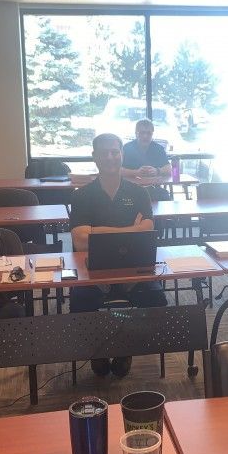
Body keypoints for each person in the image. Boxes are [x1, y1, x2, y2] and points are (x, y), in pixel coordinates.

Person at [69, 133, 168, 377]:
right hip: (93, 271)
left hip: (134, 269)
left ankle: (126, 347)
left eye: (115, 151)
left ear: (122, 153)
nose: (111, 157)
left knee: (155, 300)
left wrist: (97, 232)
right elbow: (81, 241)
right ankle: (97, 350)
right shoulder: (82, 195)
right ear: (95, 157)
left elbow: (148, 231)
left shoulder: (138, 193)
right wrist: (131, 229)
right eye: (105, 153)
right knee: (80, 303)